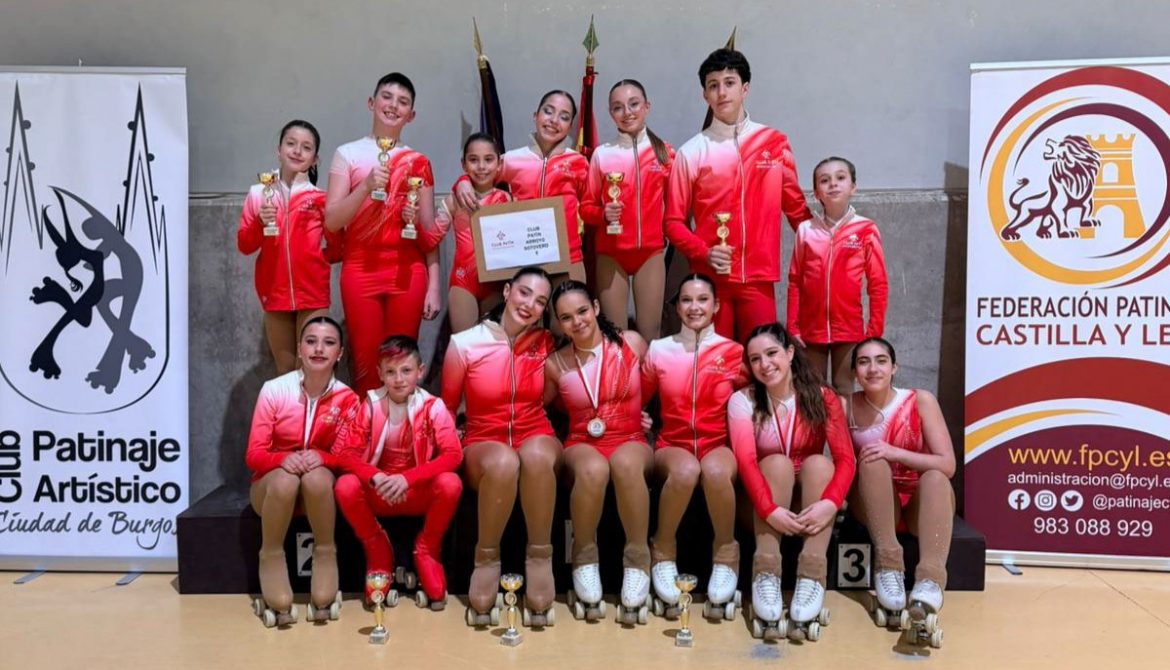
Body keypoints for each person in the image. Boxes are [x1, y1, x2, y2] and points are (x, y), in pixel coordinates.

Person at [440, 267, 562, 627]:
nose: (530, 305)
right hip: (483, 439)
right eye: (524, 293)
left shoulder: (546, 345)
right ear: (507, 291)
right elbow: (446, 407)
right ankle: (486, 558)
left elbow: (562, 393)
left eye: (540, 301)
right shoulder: (464, 344)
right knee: (505, 461)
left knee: (536, 455)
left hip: (535, 430)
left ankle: (540, 557)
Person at [663, 48, 812, 341]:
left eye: (729, 83)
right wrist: (703, 252)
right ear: (705, 95)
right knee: (718, 369)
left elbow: (796, 210)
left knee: (762, 364)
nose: (722, 92)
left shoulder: (774, 143)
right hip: (709, 281)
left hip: (759, 279)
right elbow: (672, 223)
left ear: (745, 88)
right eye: (713, 85)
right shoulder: (691, 151)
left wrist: (828, 240)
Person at [728, 322, 855, 640]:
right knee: (778, 464)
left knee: (818, 463)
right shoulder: (742, 400)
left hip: (810, 504)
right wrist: (769, 508)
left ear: (789, 352)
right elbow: (745, 461)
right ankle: (766, 572)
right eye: (755, 359)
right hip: (761, 507)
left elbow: (846, 460)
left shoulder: (823, 397)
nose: (764, 365)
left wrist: (830, 503)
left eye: (771, 353)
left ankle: (812, 575)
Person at [324, 72, 442, 394]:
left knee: (401, 364)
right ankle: (368, 439)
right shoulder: (347, 154)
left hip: (408, 273)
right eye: (387, 97)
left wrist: (434, 286)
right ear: (372, 103)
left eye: (403, 102)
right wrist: (365, 186)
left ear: (411, 115)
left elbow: (429, 234)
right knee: (365, 363)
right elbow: (332, 220)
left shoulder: (419, 161)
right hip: (360, 270)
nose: (393, 106)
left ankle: (398, 440)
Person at [640, 273, 748, 620]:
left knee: (714, 471)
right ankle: (662, 548)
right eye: (686, 300)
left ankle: (726, 553)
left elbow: (752, 401)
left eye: (703, 300)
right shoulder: (659, 350)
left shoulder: (735, 353)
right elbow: (636, 401)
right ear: (676, 307)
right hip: (672, 444)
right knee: (687, 470)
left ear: (716, 306)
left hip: (719, 443)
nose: (694, 307)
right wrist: (637, 419)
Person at [545, 280, 652, 623]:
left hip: (631, 437)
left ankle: (637, 561)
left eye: (581, 311)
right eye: (565, 318)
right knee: (593, 469)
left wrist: (644, 415)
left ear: (595, 306)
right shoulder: (555, 364)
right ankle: (584, 557)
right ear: (558, 324)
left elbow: (655, 384)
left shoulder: (631, 344)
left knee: (624, 464)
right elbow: (539, 408)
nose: (577, 322)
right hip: (581, 441)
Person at [244, 316, 361, 626]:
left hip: (315, 494)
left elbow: (349, 455)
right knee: (284, 481)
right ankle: (270, 555)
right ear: (299, 349)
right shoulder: (274, 390)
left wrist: (322, 456)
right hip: (271, 491)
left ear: (340, 353)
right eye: (311, 341)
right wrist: (282, 459)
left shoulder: (349, 399)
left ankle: (325, 551)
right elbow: (254, 455)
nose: (319, 349)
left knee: (318, 475)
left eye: (329, 342)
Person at [332, 336, 463, 610]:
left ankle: (427, 549)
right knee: (345, 486)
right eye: (390, 372)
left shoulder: (433, 406)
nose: (398, 379)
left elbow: (453, 454)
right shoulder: (368, 404)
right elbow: (344, 454)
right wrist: (375, 476)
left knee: (450, 483)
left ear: (420, 371)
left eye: (406, 370)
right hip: (379, 492)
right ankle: (377, 548)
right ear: (379, 373)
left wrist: (408, 478)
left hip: (415, 491)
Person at [845, 337, 955, 634]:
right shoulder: (847, 406)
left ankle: (930, 579)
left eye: (881, 361)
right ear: (855, 372)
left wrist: (895, 452)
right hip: (875, 503)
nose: (873, 369)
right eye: (863, 362)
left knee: (935, 477)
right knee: (870, 461)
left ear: (894, 367)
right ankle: (889, 565)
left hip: (920, 505)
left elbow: (947, 464)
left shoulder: (920, 400)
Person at [453, 90, 589, 285]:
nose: (554, 120)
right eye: (548, 111)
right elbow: (481, 175)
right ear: (536, 116)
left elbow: (590, 206)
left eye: (564, 117)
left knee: (567, 313)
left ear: (570, 127)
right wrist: (462, 181)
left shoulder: (578, 163)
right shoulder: (512, 160)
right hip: (523, 259)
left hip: (568, 257)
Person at [580, 80, 674, 342]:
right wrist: (602, 214)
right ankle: (621, 385)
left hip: (651, 254)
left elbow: (679, 205)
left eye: (634, 104)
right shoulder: (602, 154)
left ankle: (648, 382)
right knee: (615, 336)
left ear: (646, 106)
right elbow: (585, 209)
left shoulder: (664, 153)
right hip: (611, 255)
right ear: (611, 113)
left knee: (651, 334)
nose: (627, 112)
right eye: (618, 107)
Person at [236, 119, 332, 373]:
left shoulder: (321, 199)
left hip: (313, 295)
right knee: (287, 371)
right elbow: (245, 245)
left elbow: (338, 246)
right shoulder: (258, 193)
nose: (297, 151)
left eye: (306, 147)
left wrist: (315, 260)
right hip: (274, 294)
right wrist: (259, 222)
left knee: (312, 369)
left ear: (315, 159)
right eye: (291, 144)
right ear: (278, 150)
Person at [787, 157, 888, 394]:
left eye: (840, 178)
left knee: (844, 389)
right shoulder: (805, 231)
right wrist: (793, 326)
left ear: (853, 187)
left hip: (849, 328)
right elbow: (795, 281)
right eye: (825, 180)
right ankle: (817, 433)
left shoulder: (866, 229)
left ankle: (843, 433)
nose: (833, 184)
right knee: (814, 390)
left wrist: (873, 332)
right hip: (810, 330)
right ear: (816, 193)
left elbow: (878, 284)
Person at [434, 133, 512, 334]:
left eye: (488, 159)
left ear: (499, 163)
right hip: (463, 281)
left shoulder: (506, 200)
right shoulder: (454, 200)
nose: (481, 167)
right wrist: (411, 220)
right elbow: (430, 238)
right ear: (464, 164)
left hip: (495, 283)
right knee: (464, 348)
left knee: (492, 350)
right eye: (473, 160)